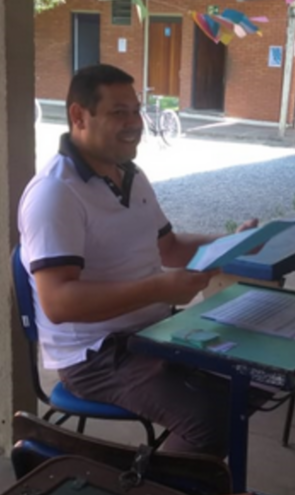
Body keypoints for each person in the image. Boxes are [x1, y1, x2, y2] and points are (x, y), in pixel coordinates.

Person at [18, 64, 256, 457]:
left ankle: (196, 491)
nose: (134, 123)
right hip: (96, 355)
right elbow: (58, 303)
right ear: (79, 116)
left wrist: (232, 243)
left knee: (250, 378)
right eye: (118, 112)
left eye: (136, 110)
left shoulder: (130, 174)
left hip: (152, 331)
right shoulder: (55, 193)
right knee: (211, 418)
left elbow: (171, 248)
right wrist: (159, 288)